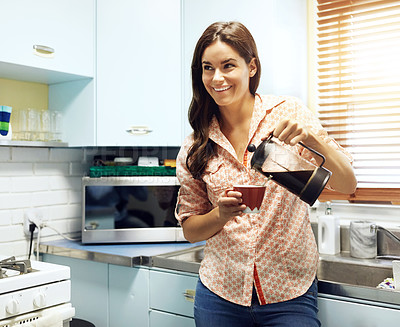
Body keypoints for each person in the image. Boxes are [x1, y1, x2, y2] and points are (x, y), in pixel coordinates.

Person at [175, 21, 357, 327]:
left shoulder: (288, 113)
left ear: (252, 67)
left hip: (289, 294)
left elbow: (347, 183)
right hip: (220, 294)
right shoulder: (196, 144)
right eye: (208, 68)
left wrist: (312, 139)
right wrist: (220, 214)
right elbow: (191, 229)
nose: (217, 77)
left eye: (228, 65)